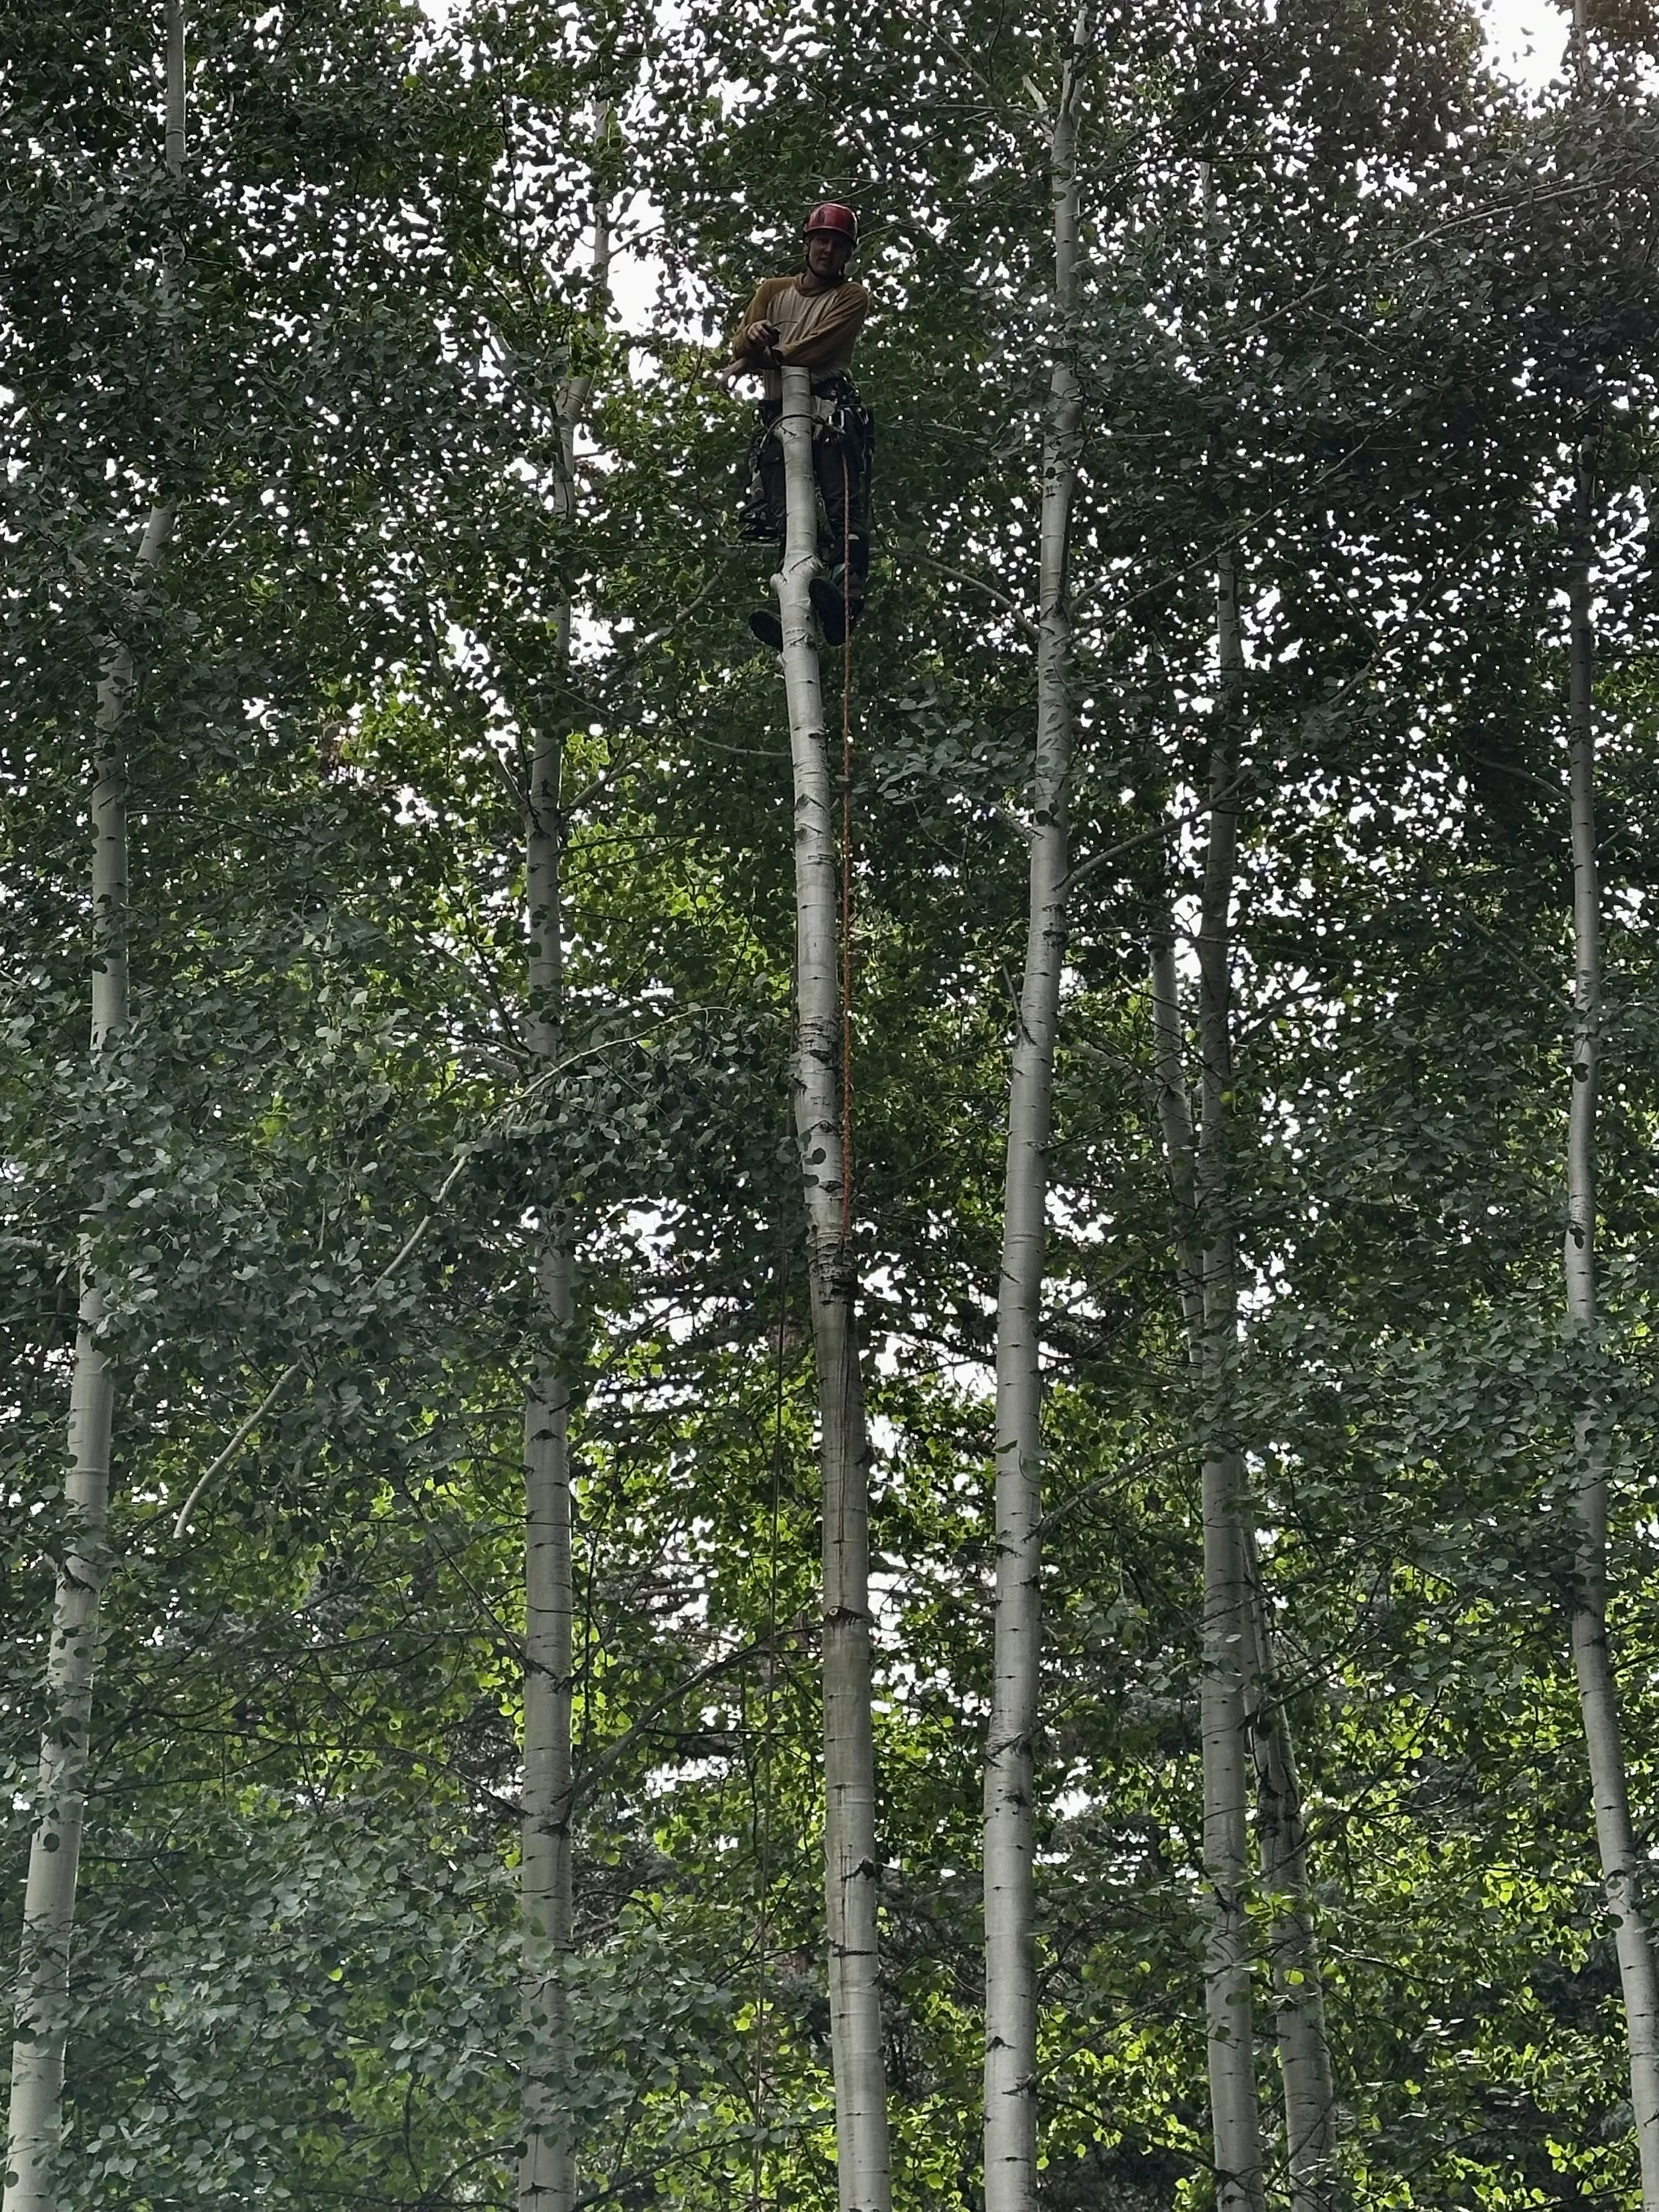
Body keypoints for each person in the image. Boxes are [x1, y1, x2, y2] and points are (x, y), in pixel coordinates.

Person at [719, 201, 875, 650]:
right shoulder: (774, 290)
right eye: (821, 241)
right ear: (807, 242)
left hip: (827, 413)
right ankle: (798, 609)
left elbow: (812, 350)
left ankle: (845, 600)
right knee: (788, 520)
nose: (827, 251)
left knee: (842, 507)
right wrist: (749, 341)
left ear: (847, 254)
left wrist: (755, 357)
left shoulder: (850, 298)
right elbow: (741, 337)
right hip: (779, 419)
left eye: (837, 245)